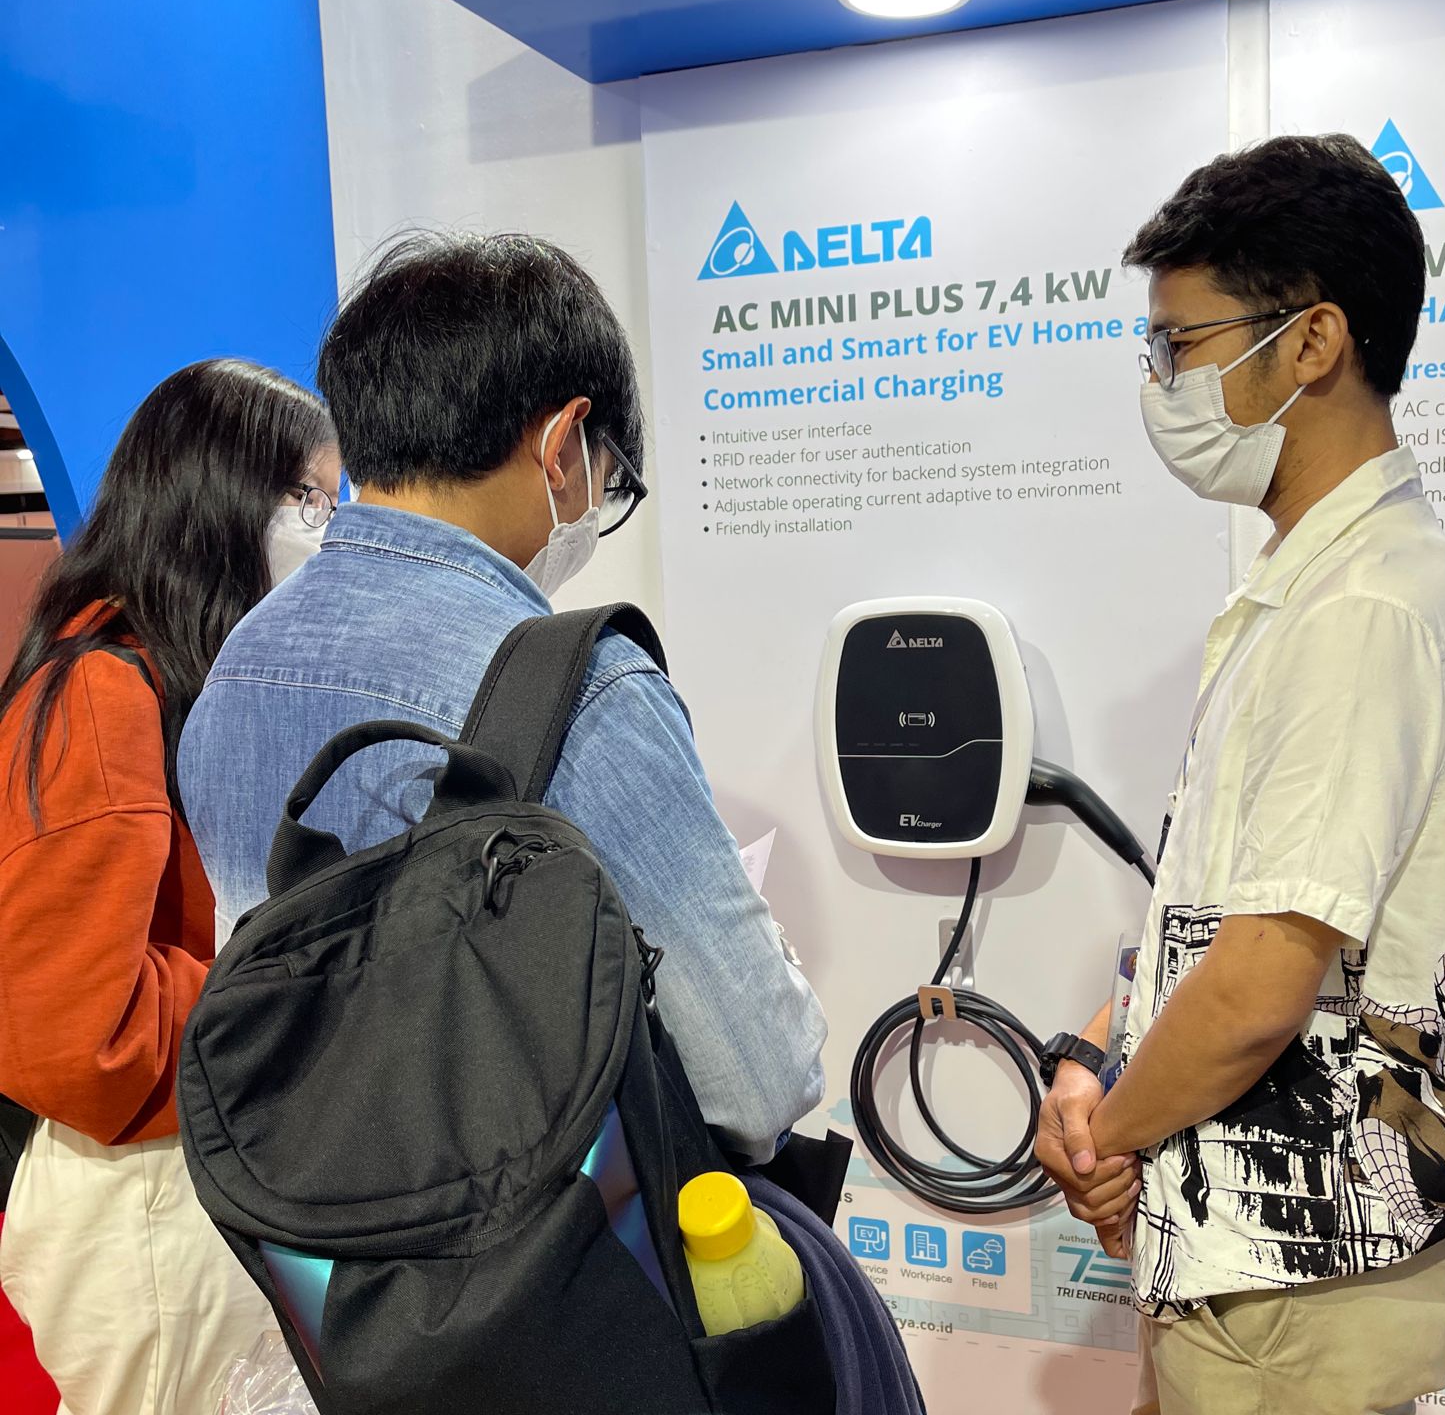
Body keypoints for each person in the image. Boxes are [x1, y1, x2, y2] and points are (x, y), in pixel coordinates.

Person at [1035, 135, 1445, 1415]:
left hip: (1295, 1288)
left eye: (1180, 345)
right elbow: (1216, 918)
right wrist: (1095, 1054)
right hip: (1251, 1279)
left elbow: (1257, 989)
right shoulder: (1317, 587)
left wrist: (1106, 1137)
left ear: (1311, 342)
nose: (1162, 381)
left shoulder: (1364, 609)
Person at [178, 231, 827, 1166]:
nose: (598, 508)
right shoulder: (587, 688)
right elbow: (754, 1084)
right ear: (563, 446)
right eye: (611, 480)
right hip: (528, 1236)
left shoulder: (238, 662)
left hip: (305, 1226)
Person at [0, 359, 339, 1415]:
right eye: (309, 499)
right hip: (143, 1206)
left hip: (188, 1175)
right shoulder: (102, 689)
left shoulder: (168, 678)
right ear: (219, 493)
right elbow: (78, 1033)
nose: (326, 532)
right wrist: (292, 984)